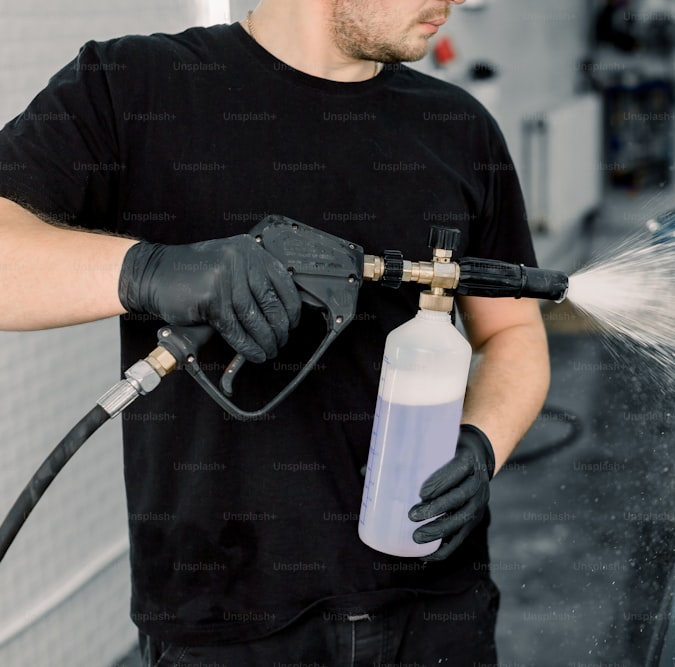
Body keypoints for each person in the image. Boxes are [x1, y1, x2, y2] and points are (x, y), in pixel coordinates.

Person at [0, 0, 550, 664]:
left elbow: (513, 327)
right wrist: (147, 270)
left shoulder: (458, 128)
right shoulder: (133, 86)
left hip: (435, 607)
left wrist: (483, 441)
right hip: (226, 621)